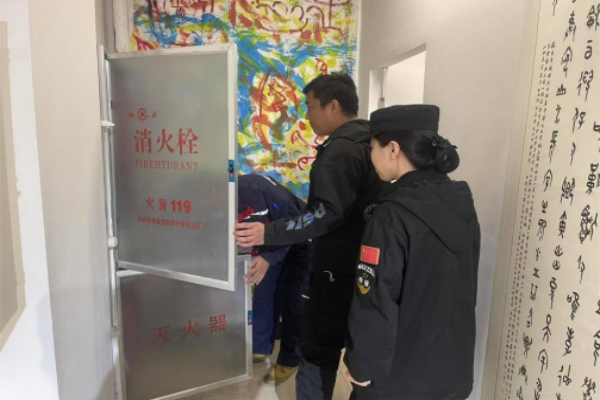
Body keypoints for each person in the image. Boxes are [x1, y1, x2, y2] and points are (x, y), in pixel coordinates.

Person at [234, 73, 381, 400]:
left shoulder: (341, 151)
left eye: (311, 106)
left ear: (333, 106)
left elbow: (326, 214)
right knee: (361, 351)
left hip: (334, 268)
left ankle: (291, 366)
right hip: (365, 264)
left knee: (315, 347)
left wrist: (268, 231)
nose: (308, 115)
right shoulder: (373, 142)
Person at [344, 105, 481, 400]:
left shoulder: (391, 215)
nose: (371, 157)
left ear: (393, 149)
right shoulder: (461, 203)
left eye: (372, 148)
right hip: (452, 372)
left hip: (399, 379)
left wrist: (361, 367)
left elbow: (375, 302)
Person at [238, 174, 310, 385]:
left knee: (293, 303)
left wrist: (269, 257)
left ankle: (290, 359)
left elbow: (296, 223)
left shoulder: (257, 187)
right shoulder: (212, 203)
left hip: (300, 244)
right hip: (267, 247)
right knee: (262, 294)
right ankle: (260, 347)